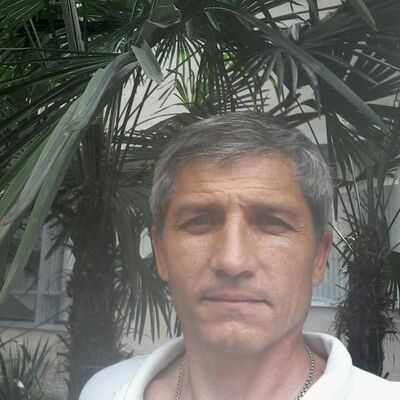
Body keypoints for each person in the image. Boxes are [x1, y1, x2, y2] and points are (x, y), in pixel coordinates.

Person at [80, 112, 400, 400]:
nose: (232, 261)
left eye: (272, 222)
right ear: (161, 253)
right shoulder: (104, 391)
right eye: (199, 221)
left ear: (319, 257)